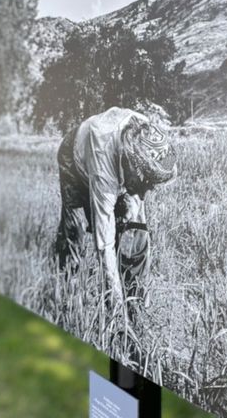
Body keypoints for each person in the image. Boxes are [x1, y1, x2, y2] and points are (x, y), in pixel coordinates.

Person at [53, 106, 177, 310]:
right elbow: (104, 245)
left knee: (133, 229)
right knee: (75, 229)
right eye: (141, 185)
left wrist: (141, 296)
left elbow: (139, 225)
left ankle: (135, 298)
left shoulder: (144, 138)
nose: (143, 194)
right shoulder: (104, 168)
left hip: (115, 161)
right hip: (74, 159)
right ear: (130, 169)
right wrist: (117, 310)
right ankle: (66, 290)